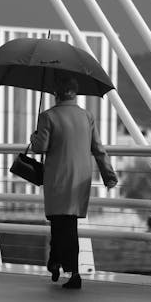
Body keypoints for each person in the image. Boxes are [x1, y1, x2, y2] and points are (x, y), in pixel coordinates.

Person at [30, 74, 117, 289]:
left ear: (56, 93)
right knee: (67, 224)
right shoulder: (87, 116)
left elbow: (40, 147)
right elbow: (98, 148)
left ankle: (71, 271)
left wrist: (34, 136)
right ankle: (56, 262)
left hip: (58, 178)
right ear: (75, 92)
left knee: (62, 225)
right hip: (80, 179)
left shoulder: (48, 116)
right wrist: (109, 176)